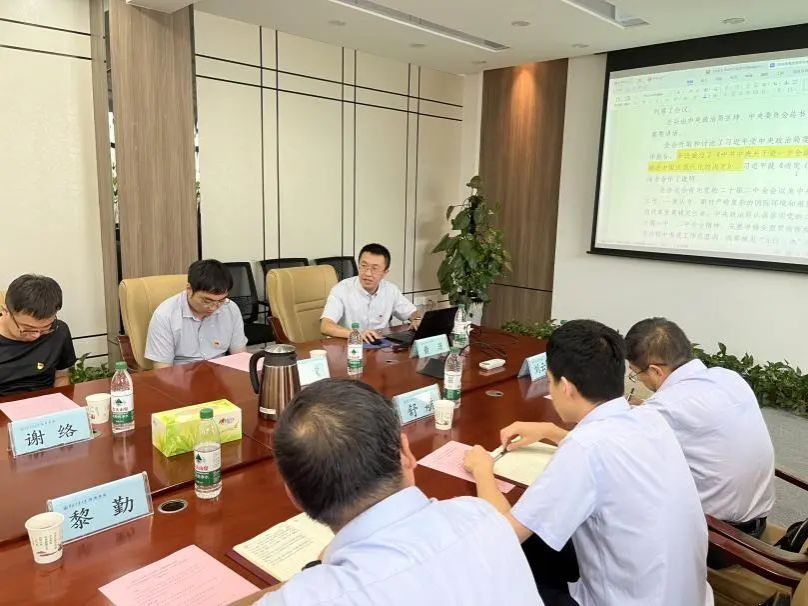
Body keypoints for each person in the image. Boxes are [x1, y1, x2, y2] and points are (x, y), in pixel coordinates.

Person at [463, 320, 712, 606]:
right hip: (685, 595)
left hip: (626, 600)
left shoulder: (583, 449)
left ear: (566, 387)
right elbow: (607, 449)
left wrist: (482, 469)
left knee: (492, 570)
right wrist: (550, 431)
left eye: (551, 381)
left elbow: (505, 536)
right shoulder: (648, 418)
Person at [240, 378, 542, 606]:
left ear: (294, 497)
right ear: (406, 453)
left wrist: (312, 572)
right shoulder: (480, 515)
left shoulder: (309, 597)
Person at [625, 317, 775, 537]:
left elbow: (611, 445)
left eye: (635, 374)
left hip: (719, 537)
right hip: (756, 522)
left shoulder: (667, 406)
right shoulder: (729, 377)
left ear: (656, 371)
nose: (638, 381)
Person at [145, 259, 247, 368]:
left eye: (221, 300)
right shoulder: (165, 315)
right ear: (189, 289)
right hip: (181, 374)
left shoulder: (230, 308)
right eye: (207, 301)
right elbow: (163, 369)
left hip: (219, 373)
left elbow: (240, 356)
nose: (214, 307)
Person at [320, 243, 419, 343]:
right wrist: (357, 335)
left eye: (374, 268)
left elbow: (412, 312)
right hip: (350, 346)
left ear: (385, 273)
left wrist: (417, 319)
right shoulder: (341, 289)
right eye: (364, 266)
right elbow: (326, 326)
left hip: (381, 345)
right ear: (359, 266)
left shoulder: (390, 290)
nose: (367, 273)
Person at [0, 275, 76, 397]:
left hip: (45, 403)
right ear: (5, 311)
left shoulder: (59, 330)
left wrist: (61, 404)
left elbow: (61, 376)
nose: (36, 335)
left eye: (45, 328)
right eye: (28, 329)